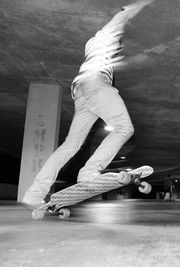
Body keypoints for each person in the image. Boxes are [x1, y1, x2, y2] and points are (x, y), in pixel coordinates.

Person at [22, 0, 153, 209]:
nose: (118, 46)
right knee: (124, 128)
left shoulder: (94, 51)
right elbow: (119, 19)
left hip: (82, 91)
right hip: (94, 83)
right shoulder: (103, 39)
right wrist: (135, 7)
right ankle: (89, 171)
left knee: (70, 145)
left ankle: (34, 193)